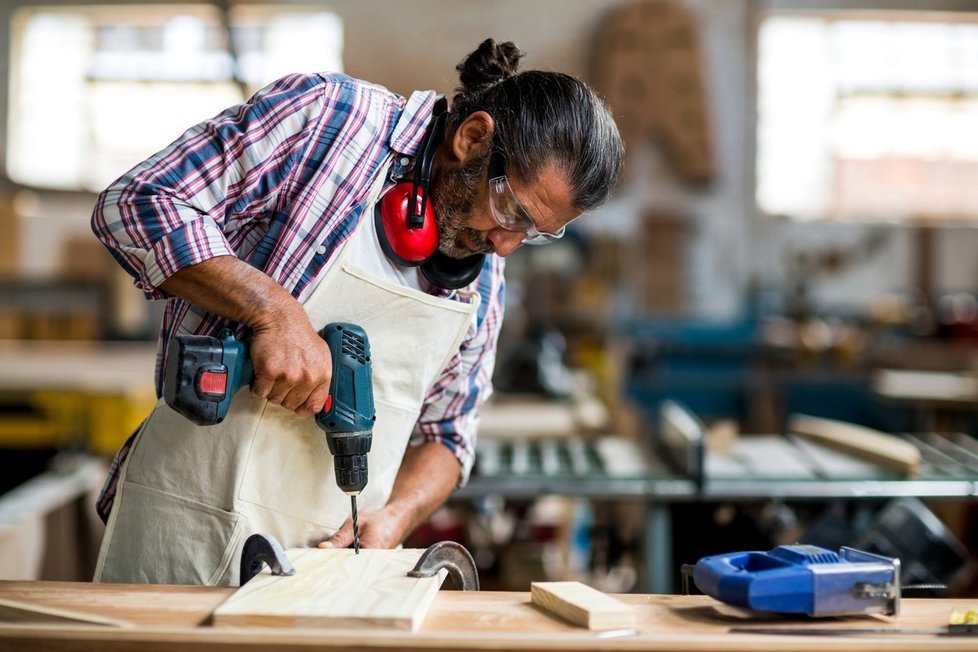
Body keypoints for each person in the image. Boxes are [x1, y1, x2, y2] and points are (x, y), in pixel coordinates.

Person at [90, 37, 624, 585]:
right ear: (472, 137)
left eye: (533, 232)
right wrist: (274, 313)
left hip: (327, 569)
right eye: (512, 209)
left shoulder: (482, 276)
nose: (508, 245)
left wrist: (395, 516)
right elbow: (136, 202)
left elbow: (449, 437)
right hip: (181, 527)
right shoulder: (329, 120)